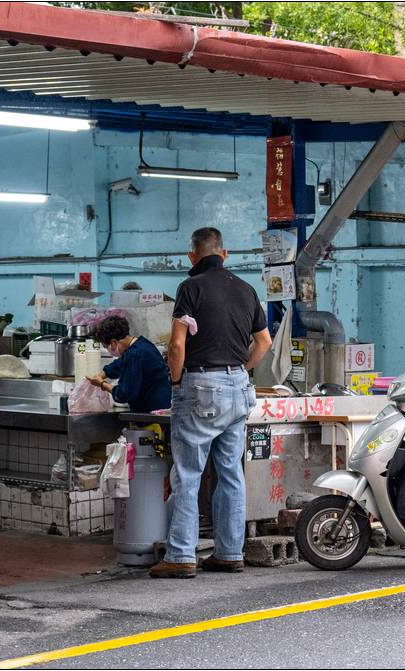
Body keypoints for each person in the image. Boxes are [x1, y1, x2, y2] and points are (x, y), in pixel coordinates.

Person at [149, 227, 272, 579]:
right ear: (225, 253)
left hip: (201, 386)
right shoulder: (247, 290)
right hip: (239, 388)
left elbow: (176, 345)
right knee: (231, 473)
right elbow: (264, 342)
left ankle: (181, 556)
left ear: (192, 255)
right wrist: (240, 370)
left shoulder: (190, 288)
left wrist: (176, 382)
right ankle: (230, 552)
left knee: (188, 474)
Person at [87, 315, 170, 412]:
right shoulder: (143, 344)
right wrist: (101, 375)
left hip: (152, 412)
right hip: (162, 406)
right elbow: (119, 365)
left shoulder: (134, 354)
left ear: (113, 342)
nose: (108, 350)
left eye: (106, 346)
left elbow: (124, 394)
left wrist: (102, 384)